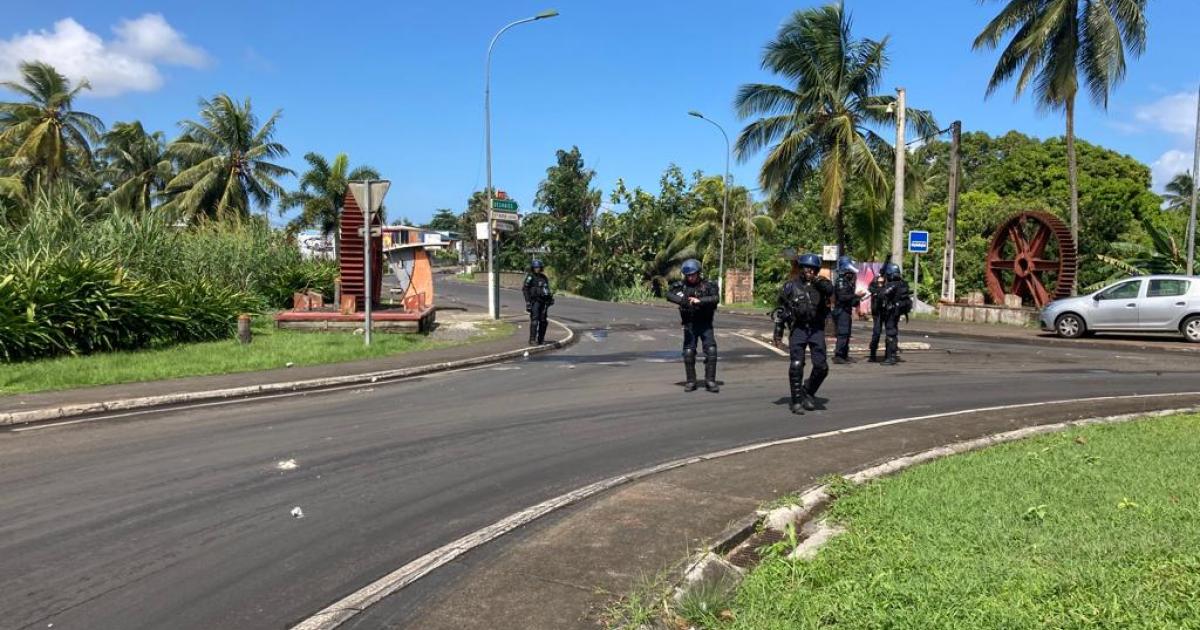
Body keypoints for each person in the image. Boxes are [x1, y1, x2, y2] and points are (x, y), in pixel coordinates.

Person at [773, 253, 834, 414]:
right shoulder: (790, 286)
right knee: (797, 365)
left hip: (816, 329)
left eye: (813, 269)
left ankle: (808, 391)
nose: (810, 271)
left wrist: (817, 282)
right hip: (798, 328)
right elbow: (780, 311)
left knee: (822, 367)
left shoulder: (821, 284)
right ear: (801, 268)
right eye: (807, 268)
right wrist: (778, 334)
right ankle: (796, 400)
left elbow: (831, 290)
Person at [666, 259, 720, 392]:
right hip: (690, 324)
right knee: (688, 352)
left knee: (711, 351)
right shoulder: (681, 286)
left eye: (693, 274)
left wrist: (699, 301)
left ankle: (710, 381)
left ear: (698, 273)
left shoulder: (708, 285)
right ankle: (691, 381)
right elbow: (668, 294)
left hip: (705, 324)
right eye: (688, 275)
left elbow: (715, 299)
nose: (691, 277)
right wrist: (682, 301)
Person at [875, 262, 912, 366]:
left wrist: (880, 285)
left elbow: (882, 295)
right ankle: (891, 355)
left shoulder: (892, 285)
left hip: (891, 312)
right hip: (896, 312)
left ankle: (891, 357)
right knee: (893, 333)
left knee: (890, 334)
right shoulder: (902, 283)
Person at [831, 255, 864, 364]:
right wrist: (856, 296)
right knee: (843, 333)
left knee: (847, 333)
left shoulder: (847, 281)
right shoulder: (841, 281)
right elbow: (843, 297)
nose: (852, 273)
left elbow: (850, 299)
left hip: (846, 310)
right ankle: (838, 355)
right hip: (841, 311)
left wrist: (857, 299)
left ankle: (844, 354)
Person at [522, 259, 554, 345]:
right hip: (534, 301)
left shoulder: (544, 278)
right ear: (532, 268)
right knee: (535, 320)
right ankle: (532, 340)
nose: (537, 269)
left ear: (541, 268)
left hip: (543, 302)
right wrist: (528, 302)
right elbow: (525, 289)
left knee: (543, 321)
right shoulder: (530, 277)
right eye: (535, 267)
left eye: (538, 267)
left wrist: (550, 299)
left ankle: (541, 339)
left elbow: (547, 289)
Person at [867, 273, 887, 363]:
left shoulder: (888, 284)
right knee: (876, 333)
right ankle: (872, 354)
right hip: (877, 313)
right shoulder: (874, 285)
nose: (881, 283)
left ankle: (889, 354)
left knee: (890, 333)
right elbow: (871, 289)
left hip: (886, 312)